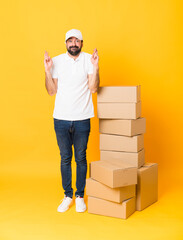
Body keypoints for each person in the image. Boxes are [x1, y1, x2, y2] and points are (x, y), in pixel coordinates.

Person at [44, 29, 100, 213]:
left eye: (77, 40)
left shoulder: (88, 60)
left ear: (82, 43)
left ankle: (80, 196)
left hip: (82, 118)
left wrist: (96, 67)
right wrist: (47, 70)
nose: (73, 44)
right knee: (65, 158)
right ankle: (68, 195)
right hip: (61, 119)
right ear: (65, 43)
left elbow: (93, 89)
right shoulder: (57, 61)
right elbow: (51, 91)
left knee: (81, 158)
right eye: (70, 41)